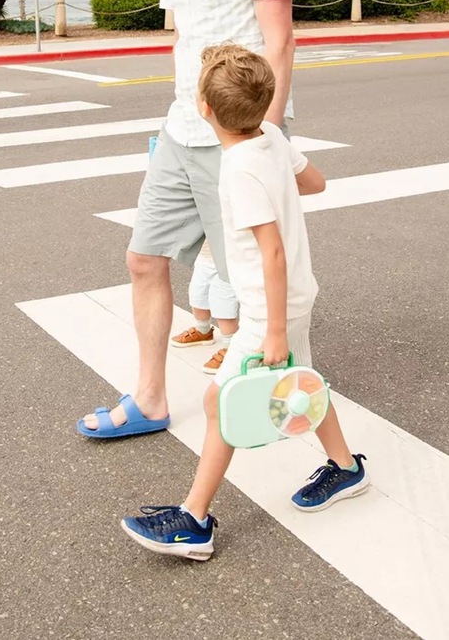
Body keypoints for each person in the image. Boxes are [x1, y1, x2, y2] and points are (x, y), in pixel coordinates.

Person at [78, 0, 300, 438]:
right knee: (145, 259)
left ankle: (293, 406)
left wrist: (267, 140)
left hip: (238, 137)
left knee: (258, 286)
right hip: (183, 129)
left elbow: (280, 44)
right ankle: (150, 399)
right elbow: (184, 38)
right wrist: (174, 119)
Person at [120, 44, 368, 560]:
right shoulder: (272, 137)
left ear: (203, 108)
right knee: (302, 380)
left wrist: (272, 329)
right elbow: (316, 183)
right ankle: (345, 468)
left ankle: (194, 521)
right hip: (295, 295)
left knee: (220, 403)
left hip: (268, 306)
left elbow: (271, 251)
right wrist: (282, 179)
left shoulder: (236, 170)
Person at [170, 240, 240, 375]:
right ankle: (203, 331)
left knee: (223, 301)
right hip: (205, 253)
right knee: (198, 293)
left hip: (228, 256)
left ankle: (230, 348)